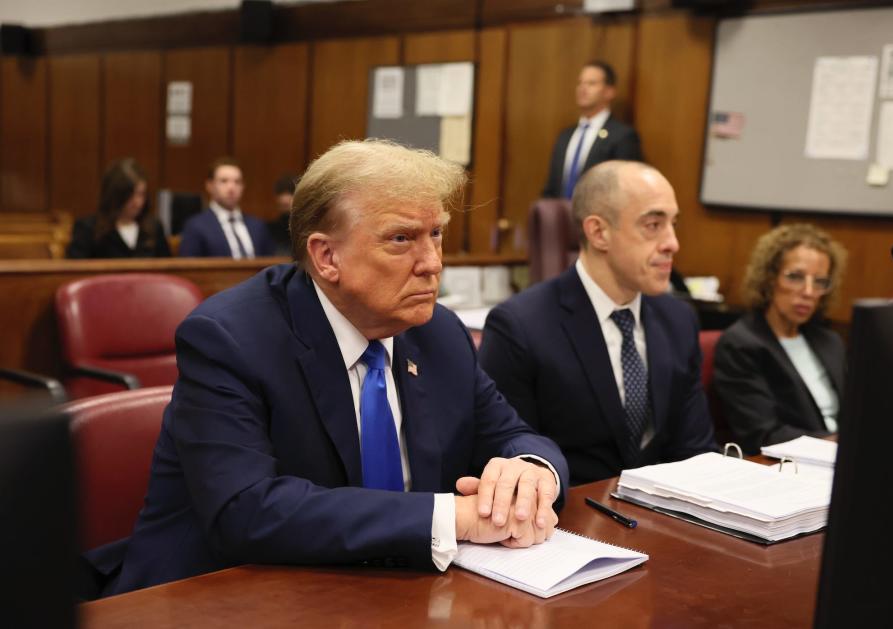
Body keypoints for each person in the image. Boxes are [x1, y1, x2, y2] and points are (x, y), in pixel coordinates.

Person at [89, 139, 567, 596]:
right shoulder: (229, 338)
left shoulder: (438, 332)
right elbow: (247, 510)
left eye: (436, 234)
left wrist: (530, 471)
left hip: (388, 595)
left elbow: (512, 433)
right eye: (401, 239)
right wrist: (454, 518)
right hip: (218, 595)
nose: (432, 263)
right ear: (326, 256)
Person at [479, 161, 716, 486]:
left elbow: (695, 451)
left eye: (673, 224)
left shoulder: (678, 319)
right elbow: (512, 457)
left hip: (662, 519)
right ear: (598, 232)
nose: (672, 243)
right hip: (567, 521)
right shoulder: (520, 326)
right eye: (653, 225)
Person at [713, 224, 847, 454]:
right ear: (769, 278)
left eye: (820, 282)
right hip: (790, 465)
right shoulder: (741, 344)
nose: (808, 291)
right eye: (795, 277)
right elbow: (763, 434)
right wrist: (838, 443)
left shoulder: (830, 341)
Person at [542, 61, 644, 200]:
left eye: (591, 83)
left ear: (609, 92)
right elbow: (552, 187)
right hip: (559, 217)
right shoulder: (565, 136)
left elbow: (625, 189)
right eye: (580, 83)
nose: (582, 88)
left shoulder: (623, 136)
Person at [66, 159, 170, 259]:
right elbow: (74, 271)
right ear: (114, 195)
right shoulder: (87, 229)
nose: (137, 202)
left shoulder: (154, 228)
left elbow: (169, 269)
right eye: (130, 195)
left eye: (141, 194)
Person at [178, 157, 275, 258]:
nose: (231, 188)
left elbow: (271, 266)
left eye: (237, 182)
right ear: (210, 186)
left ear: (243, 187)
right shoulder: (195, 227)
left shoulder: (258, 226)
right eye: (224, 181)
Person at [267, 174, 295, 257]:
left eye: (290, 193)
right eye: (281, 194)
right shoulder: (268, 229)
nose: (285, 199)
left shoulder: (306, 229)